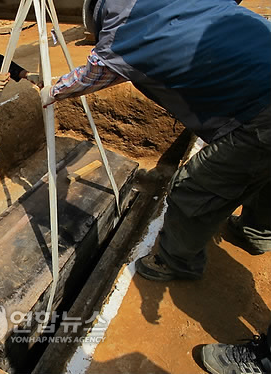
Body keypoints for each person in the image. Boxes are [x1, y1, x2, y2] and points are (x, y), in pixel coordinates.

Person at [40, 0, 270, 372]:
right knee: (266, 168)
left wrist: (50, 92)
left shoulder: (121, 36)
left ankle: (177, 261)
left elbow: (86, 78)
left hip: (261, 110)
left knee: (193, 189)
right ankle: (258, 230)